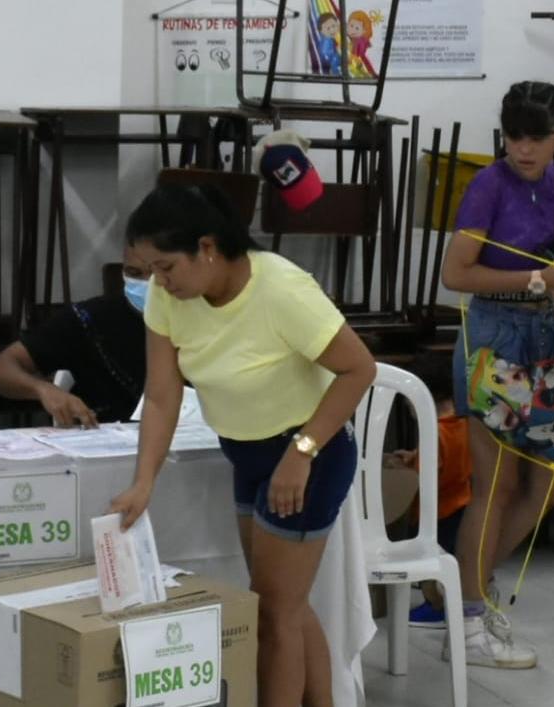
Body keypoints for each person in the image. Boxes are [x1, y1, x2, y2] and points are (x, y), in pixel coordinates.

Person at [108, 184, 376, 707]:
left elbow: (357, 368)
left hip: (308, 453)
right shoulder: (170, 299)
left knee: (273, 614)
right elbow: (162, 396)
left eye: (165, 267)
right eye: (148, 271)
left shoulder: (280, 289)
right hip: (248, 454)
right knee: (286, 606)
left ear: (207, 247)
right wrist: (144, 482)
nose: (158, 282)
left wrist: (300, 453)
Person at [440, 81, 554, 669]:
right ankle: (470, 620)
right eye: (513, 137)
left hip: (544, 337)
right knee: (494, 488)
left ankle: (457, 592)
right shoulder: (487, 185)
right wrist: (535, 284)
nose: (523, 149)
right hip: (493, 339)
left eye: (537, 138)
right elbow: (457, 274)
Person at [0, 251, 150, 426]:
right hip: (104, 440)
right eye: (134, 273)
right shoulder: (90, 318)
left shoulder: (175, 325)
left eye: (160, 270)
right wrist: (43, 389)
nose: (147, 283)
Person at [388, 351, 472, 629]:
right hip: (462, 502)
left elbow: (428, 475)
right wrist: (415, 456)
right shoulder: (462, 424)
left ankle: (436, 607)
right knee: (453, 559)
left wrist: (408, 469)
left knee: (432, 563)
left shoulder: (433, 432)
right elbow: (451, 461)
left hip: (438, 510)